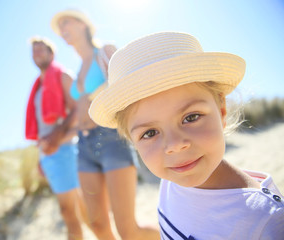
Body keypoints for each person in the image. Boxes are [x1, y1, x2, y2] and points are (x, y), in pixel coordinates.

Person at [89, 31, 284, 239]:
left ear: (221, 110)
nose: (174, 145)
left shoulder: (264, 220)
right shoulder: (172, 179)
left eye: (191, 118)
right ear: (132, 140)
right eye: (150, 133)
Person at [51, 9, 160, 240]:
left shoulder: (105, 52)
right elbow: (79, 115)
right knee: (98, 225)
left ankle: (169, 236)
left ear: (83, 25)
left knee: (127, 230)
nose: (62, 30)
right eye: (59, 28)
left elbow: (128, 90)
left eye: (66, 23)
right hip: (83, 145)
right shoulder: (76, 70)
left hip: (112, 138)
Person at [25, 36, 88, 240]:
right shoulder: (38, 87)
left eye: (42, 49)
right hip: (48, 154)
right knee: (81, 209)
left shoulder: (62, 76)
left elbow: (79, 110)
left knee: (67, 212)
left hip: (64, 150)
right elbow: (43, 129)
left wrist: (57, 137)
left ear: (52, 54)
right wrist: (41, 157)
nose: (37, 54)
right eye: (34, 51)